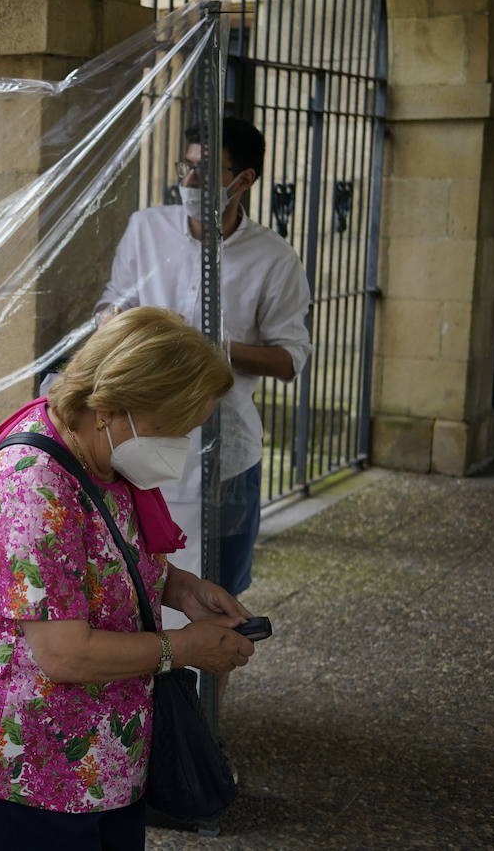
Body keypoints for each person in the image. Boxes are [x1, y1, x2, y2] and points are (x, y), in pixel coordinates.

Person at [0, 307, 256, 849]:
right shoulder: (34, 486)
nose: (180, 447)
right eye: (172, 428)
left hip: (104, 757)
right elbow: (65, 654)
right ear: (112, 408)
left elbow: (107, 559)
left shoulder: (99, 454)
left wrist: (181, 587)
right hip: (35, 769)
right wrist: (184, 647)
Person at [95, 117, 312, 633]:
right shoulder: (147, 229)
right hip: (137, 445)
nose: (191, 184)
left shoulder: (273, 259)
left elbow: (290, 358)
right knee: (135, 581)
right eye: (186, 168)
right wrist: (110, 322)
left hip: (228, 452)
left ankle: (208, 709)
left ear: (246, 181)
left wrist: (218, 349)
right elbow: (112, 303)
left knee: (220, 596)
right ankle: (149, 702)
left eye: (209, 173)